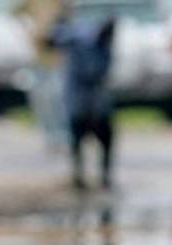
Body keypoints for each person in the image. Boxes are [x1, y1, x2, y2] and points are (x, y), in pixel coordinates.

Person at [48, 11, 117, 190]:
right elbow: (55, 38)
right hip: (79, 101)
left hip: (97, 103)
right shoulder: (82, 39)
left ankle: (104, 176)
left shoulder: (105, 47)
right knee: (77, 138)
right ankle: (78, 176)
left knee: (106, 138)